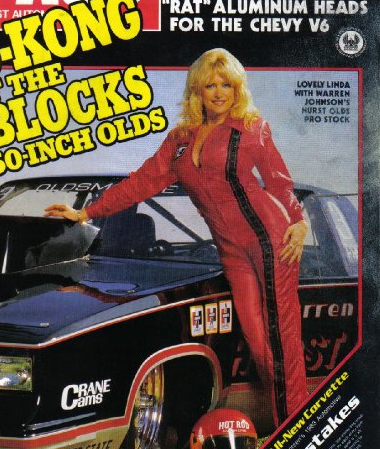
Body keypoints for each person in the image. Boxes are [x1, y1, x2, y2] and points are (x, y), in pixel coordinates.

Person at [45, 48, 308, 426]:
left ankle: (296, 429)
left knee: (281, 342)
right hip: (232, 254)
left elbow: (279, 182)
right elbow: (140, 183)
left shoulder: (251, 128)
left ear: (237, 89)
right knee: (259, 343)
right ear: (197, 91)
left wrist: (298, 221)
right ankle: (293, 421)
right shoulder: (181, 139)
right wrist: (86, 213)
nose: (219, 93)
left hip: (271, 242)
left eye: (227, 85)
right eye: (210, 86)